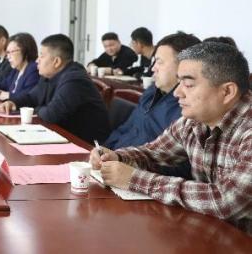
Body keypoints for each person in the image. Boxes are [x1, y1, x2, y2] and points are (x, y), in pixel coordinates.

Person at [92, 42, 252, 235]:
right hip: (210, 233)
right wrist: (117, 157)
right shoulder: (193, 121)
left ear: (227, 92)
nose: (177, 93)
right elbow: (153, 152)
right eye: (179, 82)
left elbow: (228, 200)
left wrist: (134, 179)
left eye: (188, 85)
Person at [0, 34, 110, 144]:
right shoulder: (48, 75)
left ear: (56, 61)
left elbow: (51, 115)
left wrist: (35, 109)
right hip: (61, 136)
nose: (37, 60)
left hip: (87, 145)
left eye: (42, 56)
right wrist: (13, 103)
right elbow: (32, 97)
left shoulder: (74, 79)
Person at [105, 32, 201, 149]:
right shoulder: (151, 92)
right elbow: (125, 129)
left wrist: (119, 157)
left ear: (184, 67)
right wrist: (104, 150)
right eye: (154, 61)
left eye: (159, 62)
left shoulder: (187, 111)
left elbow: (164, 157)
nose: (153, 68)